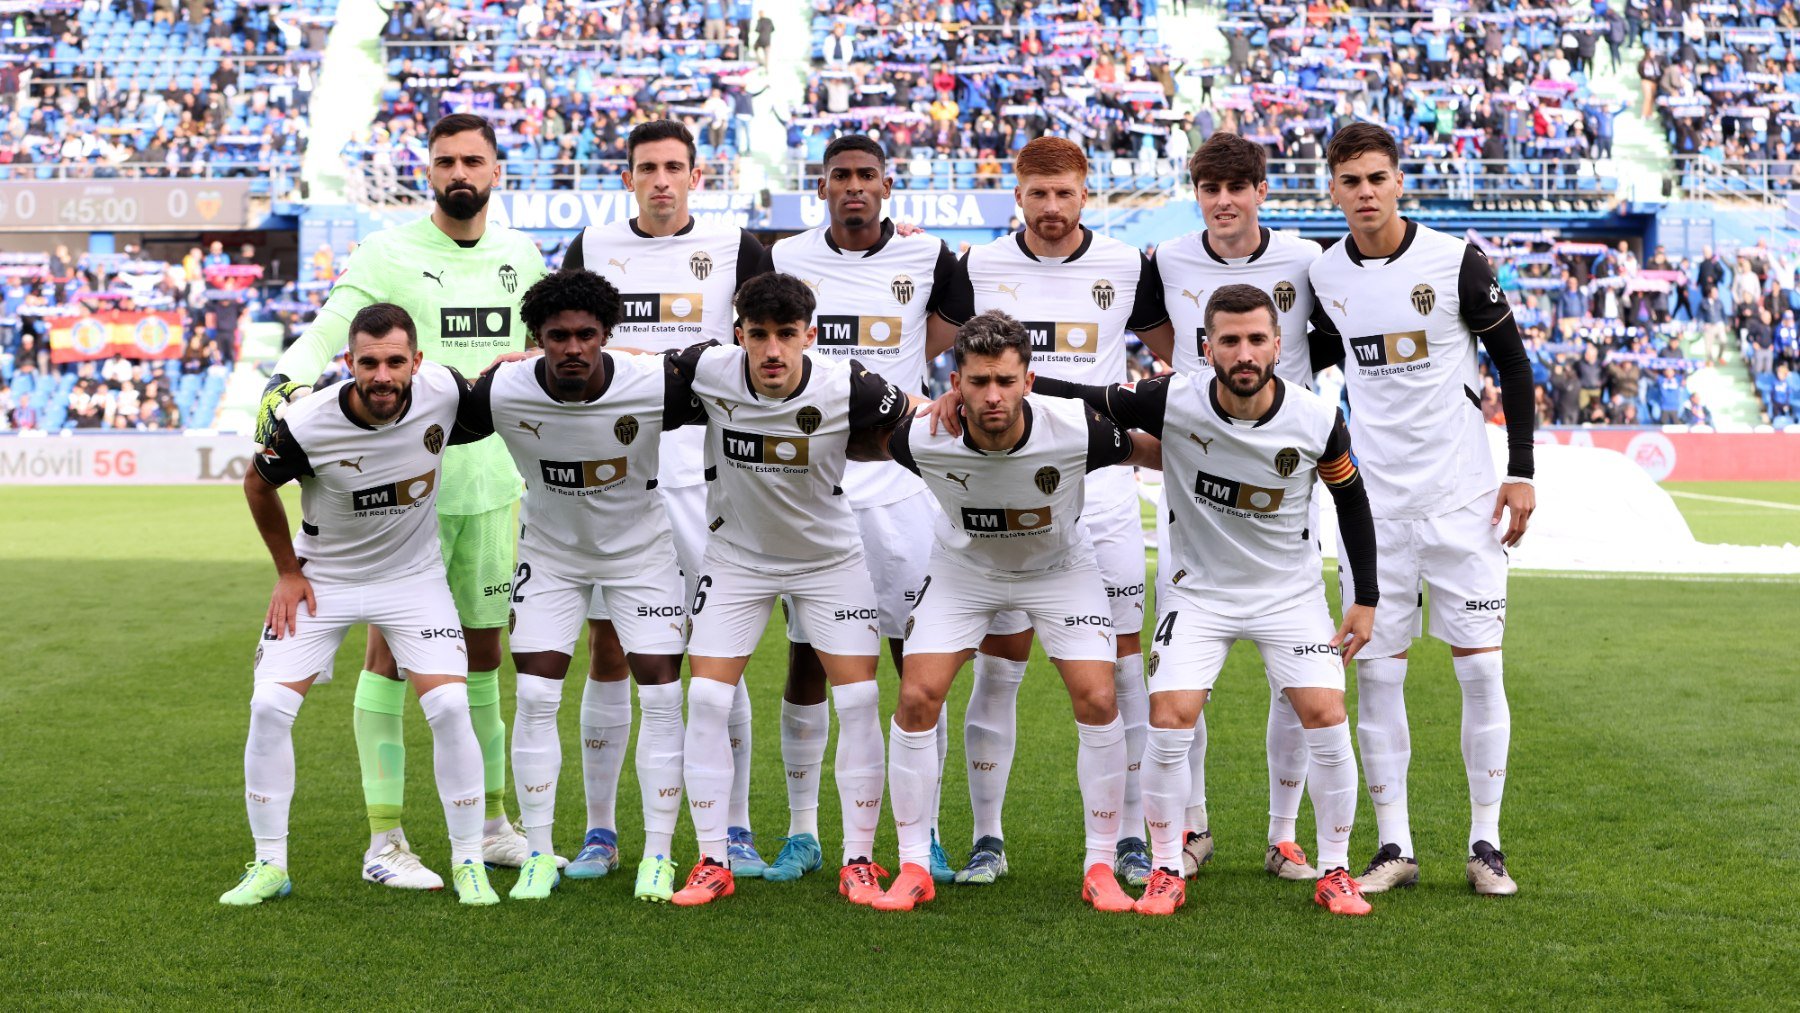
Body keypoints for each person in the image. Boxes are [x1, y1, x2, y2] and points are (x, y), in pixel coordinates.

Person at [255, 113, 549, 889]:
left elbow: (545, 346)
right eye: (447, 160)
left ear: (496, 170)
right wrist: (283, 385)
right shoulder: (386, 251)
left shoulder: (521, 253)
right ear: (429, 170)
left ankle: (490, 823)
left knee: (483, 659)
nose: (461, 172)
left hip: (492, 487)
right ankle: (386, 838)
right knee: (386, 658)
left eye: (473, 160)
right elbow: (325, 332)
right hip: (397, 502)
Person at [1026, 283, 1381, 917]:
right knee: (1170, 721)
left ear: (1276, 344)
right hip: (1197, 596)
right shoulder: (1172, 399)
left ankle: (1336, 869)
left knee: (1326, 714)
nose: (1243, 354)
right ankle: (1166, 869)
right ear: (1206, 347)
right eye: (1229, 341)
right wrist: (1008, 385)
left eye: (1255, 340)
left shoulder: (1317, 417)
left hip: (1289, 596)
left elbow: (1351, 501)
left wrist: (1366, 597)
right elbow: (1086, 399)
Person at [932, 136, 1174, 888]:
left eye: (1065, 193)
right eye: (1037, 194)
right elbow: (925, 343)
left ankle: (1130, 835)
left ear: (1085, 192)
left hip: (1097, 488)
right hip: (1002, 487)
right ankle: (986, 837)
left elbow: (1177, 361)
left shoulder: (1128, 267)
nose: (1051, 209)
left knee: (1121, 668)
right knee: (998, 669)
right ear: (1018, 194)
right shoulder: (977, 267)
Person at [860, 310, 1161, 913]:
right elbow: (855, 439)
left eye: (1004, 380)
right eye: (977, 382)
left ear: (1029, 381)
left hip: (1059, 572)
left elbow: (1158, 453)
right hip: (964, 574)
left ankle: (1099, 864)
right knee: (917, 697)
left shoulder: (1078, 429)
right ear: (957, 385)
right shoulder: (919, 436)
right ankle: (916, 863)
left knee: (1100, 700)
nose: (991, 395)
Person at [1308, 123, 1536, 897]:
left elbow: (1513, 361)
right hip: (1374, 511)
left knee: (1480, 673)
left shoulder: (1455, 261)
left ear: (1399, 181)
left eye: (1377, 177)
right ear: (1332, 189)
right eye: (1350, 181)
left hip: (1464, 502)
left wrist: (1523, 472)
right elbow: (1299, 363)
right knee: (1376, 679)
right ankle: (1394, 844)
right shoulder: (1326, 276)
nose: (1365, 192)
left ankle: (1486, 842)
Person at [226, 303, 498, 907]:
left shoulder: (445, 392)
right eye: (368, 363)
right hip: (325, 579)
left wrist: (517, 361)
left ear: (416, 362)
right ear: (348, 364)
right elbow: (256, 483)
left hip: (412, 577)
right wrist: (287, 573)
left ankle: (469, 862)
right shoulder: (306, 423)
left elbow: (505, 392)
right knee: (269, 706)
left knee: (452, 705)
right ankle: (270, 865)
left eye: (395, 362)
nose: (382, 376)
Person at [561, 119, 777, 874]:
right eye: (646, 167)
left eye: (673, 168)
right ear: (627, 177)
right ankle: (600, 831)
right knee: (610, 646)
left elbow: (775, 323)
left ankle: (738, 827)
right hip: (613, 475)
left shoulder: (736, 247)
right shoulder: (591, 247)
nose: (660, 180)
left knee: (721, 652)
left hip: (704, 473)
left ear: (696, 176)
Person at [661, 273, 918, 907]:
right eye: (758, 336)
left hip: (830, 562)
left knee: (858, 702)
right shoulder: (705, 368)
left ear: (810, 334)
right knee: (708, 699)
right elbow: (631, 368)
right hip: (738, 559)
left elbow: (917, 420)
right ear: (738, 334)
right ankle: (713, 859)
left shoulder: (850, 383)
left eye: (786, 336)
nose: (772, 351)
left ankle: (858, 858)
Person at [452, 270, 697, 902]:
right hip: (552, 558)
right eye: (557, 336)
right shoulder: (502, 389)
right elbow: (419, 411)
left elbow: (738, 379)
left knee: (665, 699)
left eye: (586, 335)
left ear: (607, 337)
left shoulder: (654, 384)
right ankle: (538, 852)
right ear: (535, 339)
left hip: (642, 555)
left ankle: (660, 856)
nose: (572, 349)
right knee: (534, 696)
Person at [765, 134, 962, 883]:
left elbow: (942, 338)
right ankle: (803, 830)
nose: (854, 187)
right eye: (841, 176)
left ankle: (928, 830)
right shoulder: (784, 257)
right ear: (822, 186)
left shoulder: (928, 255)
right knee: (809, 657)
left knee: (918, 660)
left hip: (904, 487)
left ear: (887, 185)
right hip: (816, 486)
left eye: (867, 176)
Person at [1138, 131, 1326, 882]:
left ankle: (1284, 834)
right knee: (1185, 670)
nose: (1223, 200)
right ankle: (1194, 825)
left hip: (1284, 478)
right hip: (1195, 482)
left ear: (1260, 191)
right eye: (1209, 187)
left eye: (1237, 186)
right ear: (1197, 192)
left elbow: (1334, 339)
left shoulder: (1307, 261)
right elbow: (1162, 343)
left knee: (1295, 671)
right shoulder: (1169, 259)